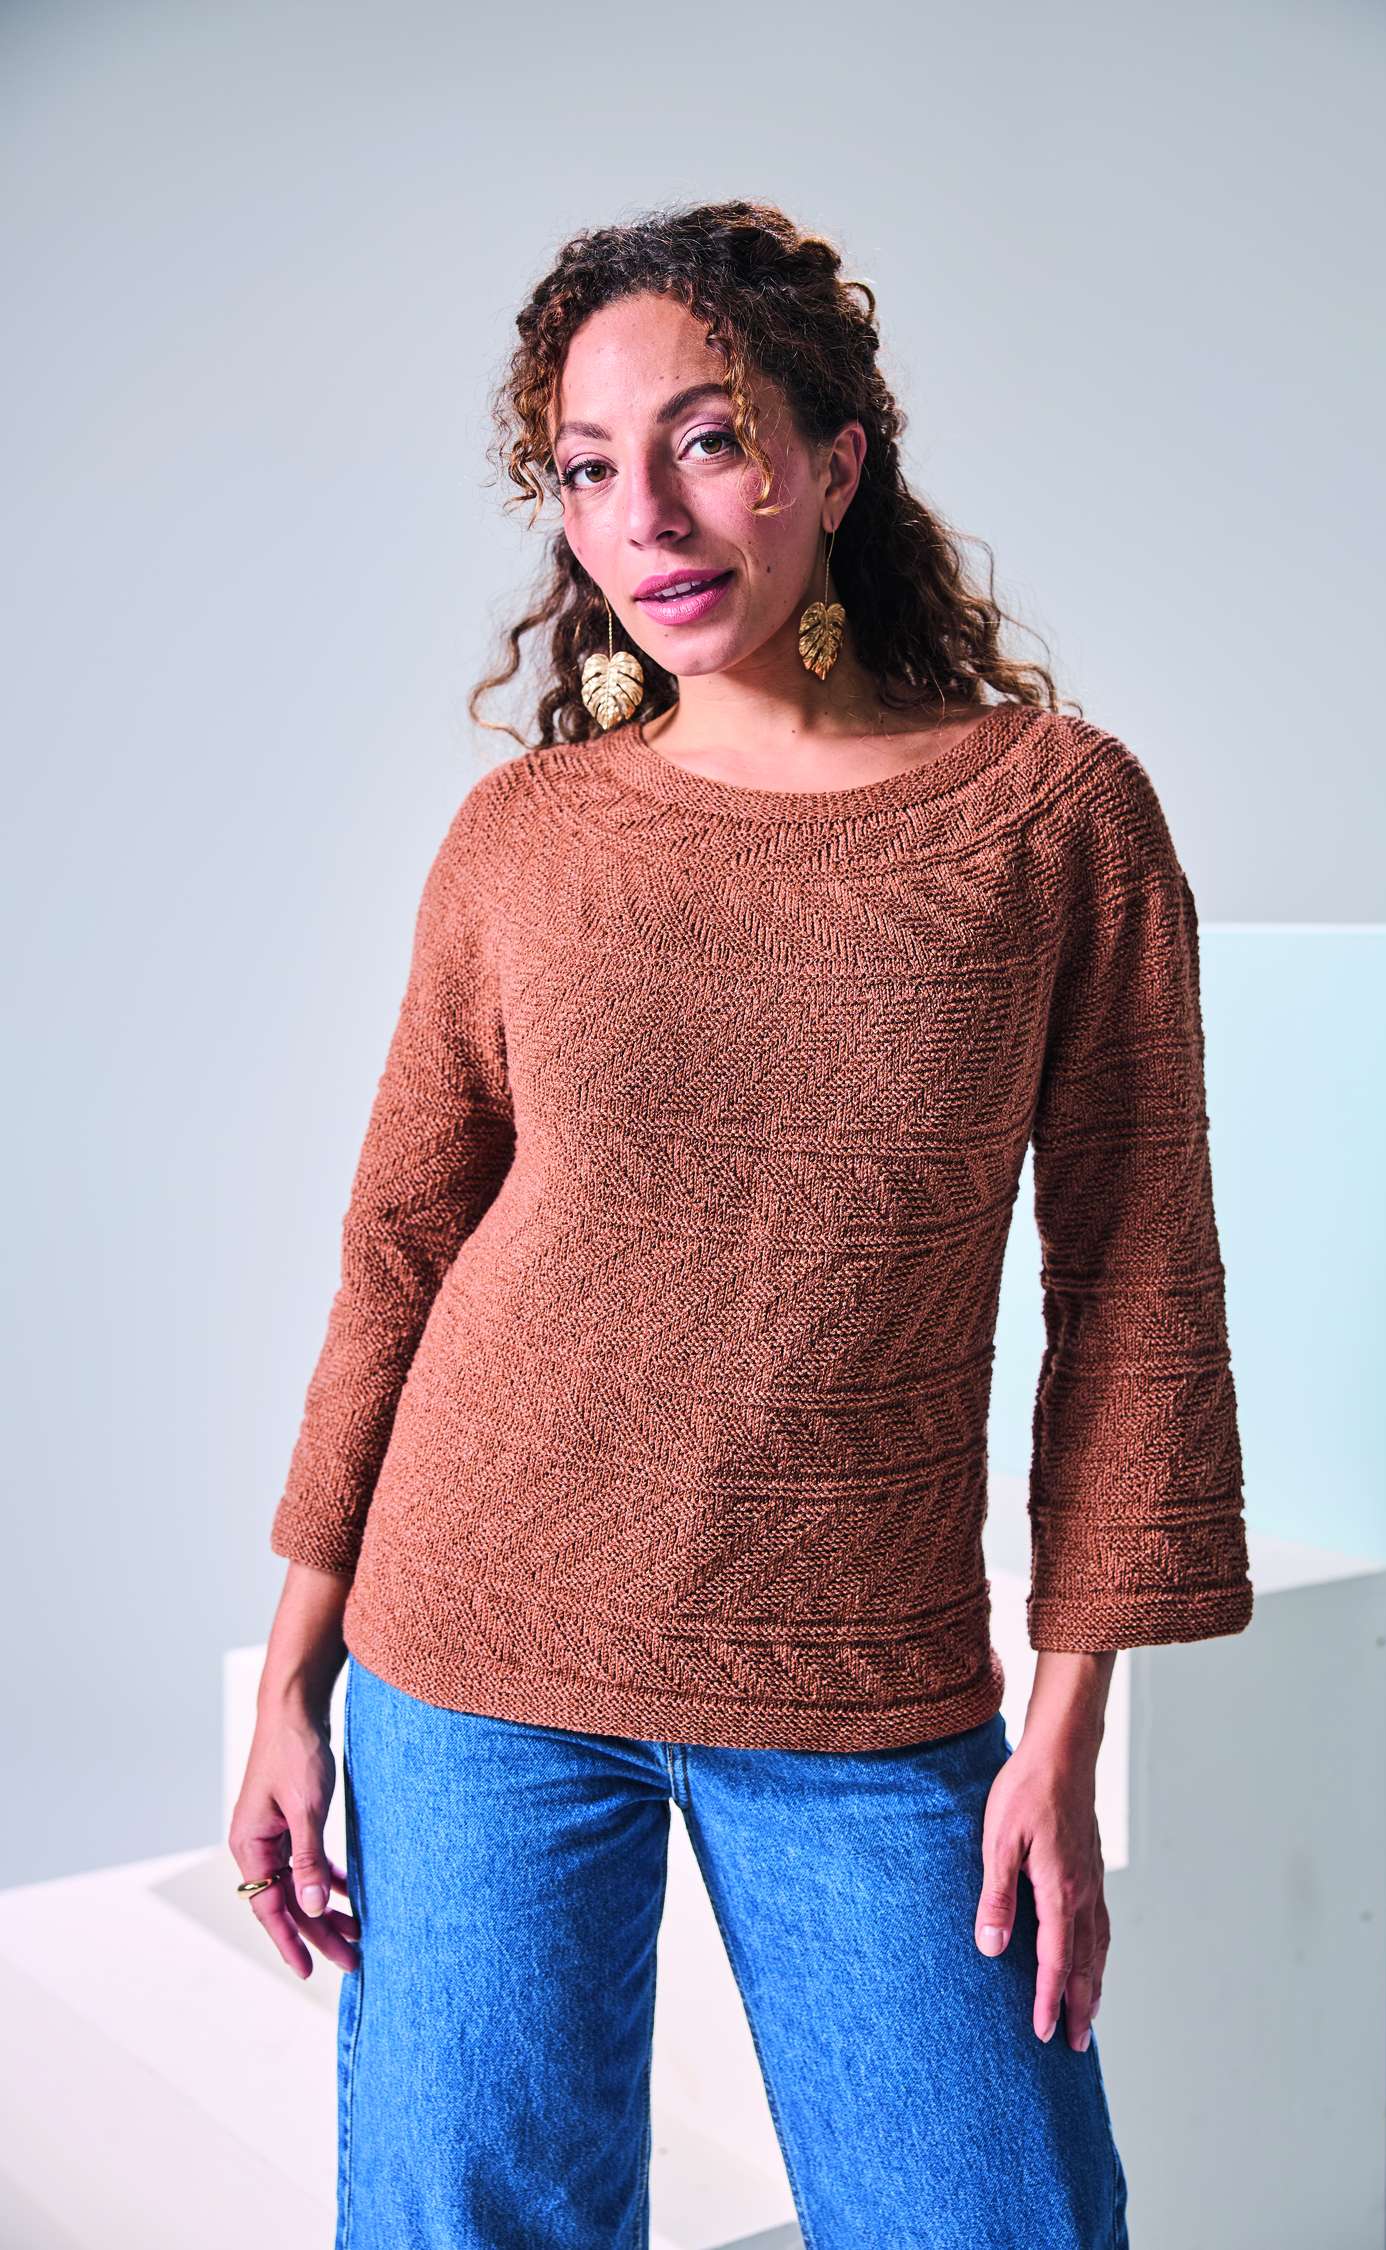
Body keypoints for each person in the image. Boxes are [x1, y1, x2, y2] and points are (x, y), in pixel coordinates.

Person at [230, 198, 1253, 2250]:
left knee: (992, 2217)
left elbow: (1139, 1279)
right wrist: (291, 1676)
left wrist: (1066, 1726)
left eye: (707, 440)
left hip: (861, 1681)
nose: (649, 515)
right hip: (478, 1649)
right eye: (588, 468)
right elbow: (402, 1250)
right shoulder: (525, 840)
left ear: (836, 460)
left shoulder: (1056, 820)